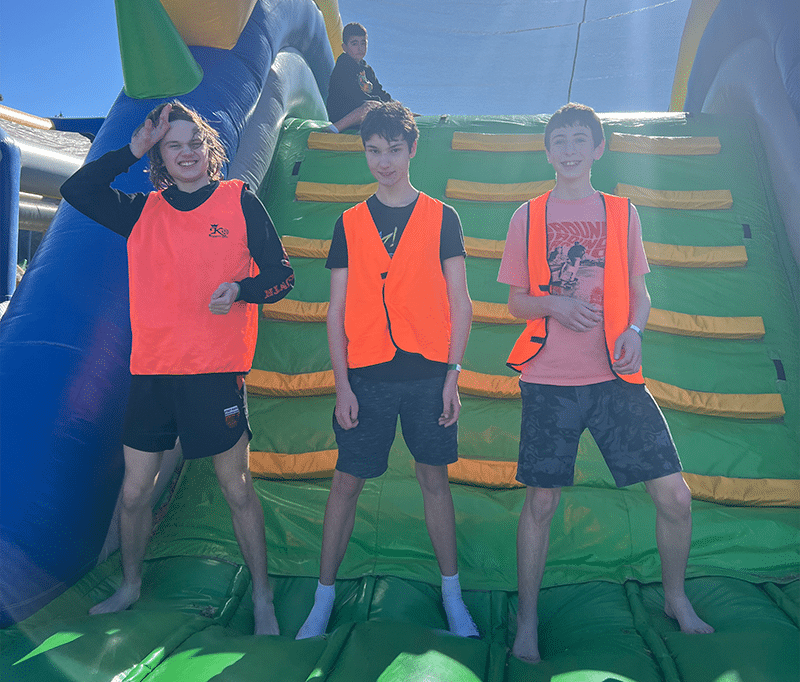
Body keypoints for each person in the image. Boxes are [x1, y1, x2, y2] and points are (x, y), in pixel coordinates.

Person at [60, 101, 294, 635]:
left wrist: (242, 289)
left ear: (208, 149)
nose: (185, 153)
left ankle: (262, 598)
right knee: (136, 492)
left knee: (236, 488)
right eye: (173, 145)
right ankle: (130, 584)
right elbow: (77, 191)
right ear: (161, 155)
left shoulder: (240, 200)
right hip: (154, 375)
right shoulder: (144, 211)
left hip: (215, 374)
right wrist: (130, 149)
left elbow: (283, 276)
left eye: (193, 143)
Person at [498, 103, 714, 663]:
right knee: (541, 504)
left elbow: (640, 293)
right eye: (559, 141)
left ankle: (674, 598)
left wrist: (636, 330)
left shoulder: (622, 213)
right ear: (548, 152)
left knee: (676, 498)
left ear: (598, 149)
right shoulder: (529, 215)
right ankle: (526, 621)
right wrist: (556, 304)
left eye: (579, 140)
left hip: (615, 377)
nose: (569, 150)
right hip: (548, 379)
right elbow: (516, 301)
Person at [295, 101, 478, 640]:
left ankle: (453, 597)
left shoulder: (443, 217)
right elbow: (335, 310)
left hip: (427, 375)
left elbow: (461, 302)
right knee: (345, 484)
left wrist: (453, 377)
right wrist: (342, 385)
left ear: (412, 149)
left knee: (434, 481)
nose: (384, 161)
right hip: (367, 378)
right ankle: (321, 601)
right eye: (373, 150)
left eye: (394, 150)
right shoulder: (349, 222)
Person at [325, 22, 392, 132]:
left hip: (363, 111)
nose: (360, 48)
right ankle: (335, 128)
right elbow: (354, 96)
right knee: (371, 107)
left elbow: (379, 92)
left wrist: (392, 104)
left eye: (363, 43)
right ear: (344, 47)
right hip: (343, 113)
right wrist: (383, 105)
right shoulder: (343, 66)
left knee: (394, 108)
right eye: (354, 44)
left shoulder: (367, 69)